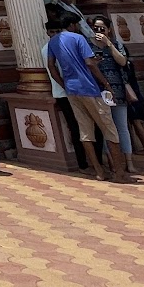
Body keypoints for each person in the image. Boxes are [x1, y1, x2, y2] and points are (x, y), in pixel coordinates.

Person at [46, 12, 129, 181]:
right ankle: (119, 172)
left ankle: (98, 170)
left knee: (85, 132)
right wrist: (106, 84)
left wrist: (63, 83)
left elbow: (51, 66)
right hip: (89, 88)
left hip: (72, 90)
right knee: (110, 130)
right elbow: (90, 63)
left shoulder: (53, 42)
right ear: (72, 25)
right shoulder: (78, 38)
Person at [90, 16, 140, 174]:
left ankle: (129, 161)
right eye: (95, 29)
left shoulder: (116, 44)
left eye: (102, 28)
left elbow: (123, 62)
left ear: (108, 29)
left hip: (118, 90)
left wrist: (109, 44)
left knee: (122, 127)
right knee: (106, 127)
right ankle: (112, 161)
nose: (99, 32)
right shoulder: (89, 46)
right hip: (100, 90)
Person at [45, 15, 93, 172]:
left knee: (80, 126)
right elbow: (54, 69)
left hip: (67, 90)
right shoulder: (51, 47)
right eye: (52, 31)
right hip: (68, 91)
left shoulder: (52, 46)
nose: (54, 34)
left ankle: (87, 161)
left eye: (57, 30)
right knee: (80, 126)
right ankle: (86, 161)